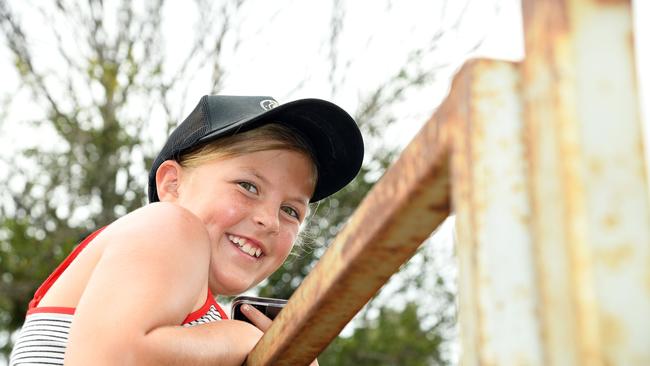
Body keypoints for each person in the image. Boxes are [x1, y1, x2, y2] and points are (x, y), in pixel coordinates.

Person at [9, 95, 364, 365]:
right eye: (248, 186)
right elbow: (111, 357)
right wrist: (240, 340)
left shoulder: (193, 332)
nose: (270, 220)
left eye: (290, 210)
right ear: (172, 185)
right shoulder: (168, 225)